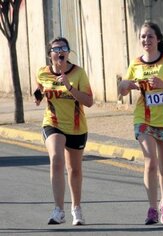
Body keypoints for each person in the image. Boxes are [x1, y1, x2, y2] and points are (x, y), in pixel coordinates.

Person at [118, 22, 163, 225]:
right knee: (150, 162)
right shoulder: (135, 63)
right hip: (143, 119)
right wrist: (125, 85)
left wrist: (162, 85)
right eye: (143, 37)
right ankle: (152, 208)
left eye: (150, 37)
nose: (146, 40)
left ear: (158, 39)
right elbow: (122, 90)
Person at [34, 37, 93, 225]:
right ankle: (58, 210)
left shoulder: (78, 73)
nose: (60, 52)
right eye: (56, 49)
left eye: (64, 48)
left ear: (68, 53)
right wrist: (37, 95)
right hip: (53, 123)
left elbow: (89, 101)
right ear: (50, 54)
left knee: (74, 169)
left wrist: (69, 86)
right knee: (56, 159)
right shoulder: (43, 72)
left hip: (76, 127)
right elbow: (39, 90)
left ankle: (76, 208)